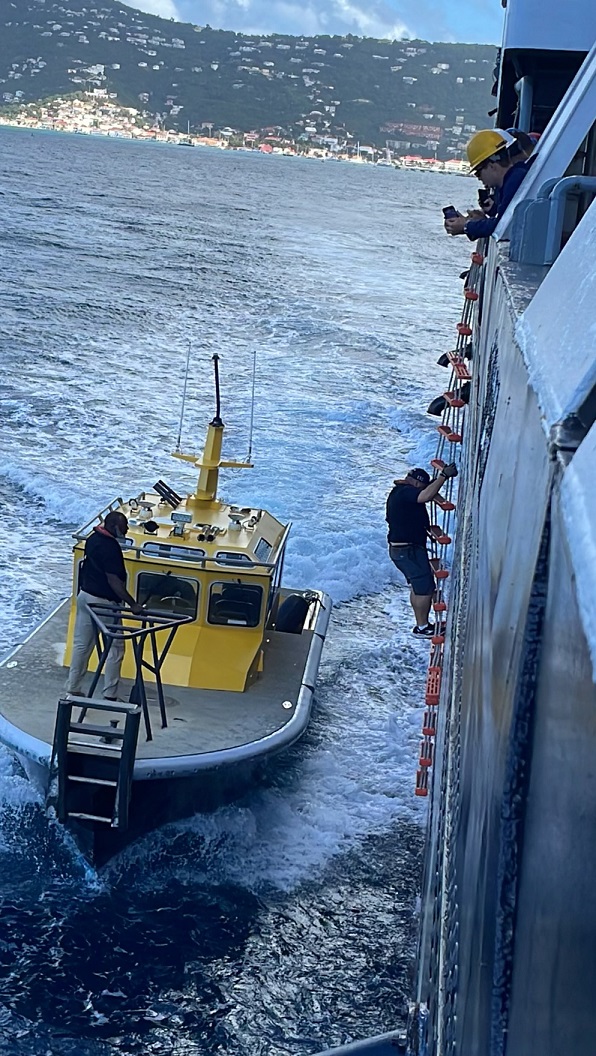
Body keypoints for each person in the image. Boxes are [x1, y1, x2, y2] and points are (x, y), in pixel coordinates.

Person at [66, 510, 142, 700]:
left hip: (85, 598)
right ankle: (110, 693)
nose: (126, 531)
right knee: (115, 647)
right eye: (124, 527)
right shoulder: (110, 548)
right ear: (115, 526)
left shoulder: (92, 539)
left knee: (82, 646)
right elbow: (113, 580)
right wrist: (133, 604)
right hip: (104, 604)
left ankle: (73, 687)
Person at [387, 464, 458, 637]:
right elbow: (424, 497)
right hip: (408, 551)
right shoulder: (406, 492)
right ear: (417, 484)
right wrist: (443, 476)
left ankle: (422, 624)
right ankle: (422, 627)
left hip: (402, 551)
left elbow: (425, 494)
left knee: (417, 586)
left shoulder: (400, 492)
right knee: (425, 588)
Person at [444, 128, 530, 241]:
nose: (479, 178)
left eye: (478, 172)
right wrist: (489, 213)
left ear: (491, 165)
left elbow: (502, 225)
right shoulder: (515, 177)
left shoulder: (514, 181)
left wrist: (466, 226)